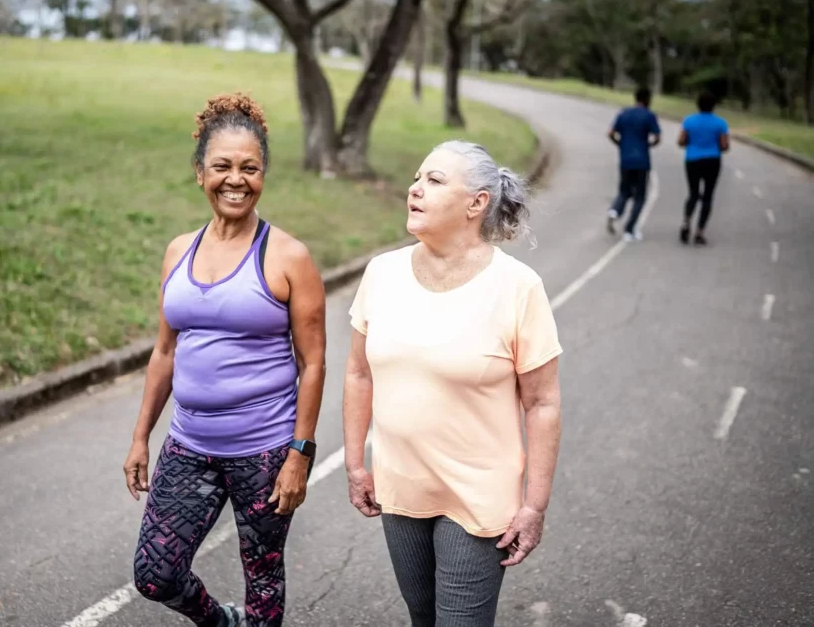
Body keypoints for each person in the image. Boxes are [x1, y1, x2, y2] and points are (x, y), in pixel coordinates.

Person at [123, 93, 327, 627]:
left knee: (263, 579)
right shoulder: (178, 251)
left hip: (264, 450)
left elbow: (314, 362)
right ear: (200, 173)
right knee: (155, 574)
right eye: (222, 167)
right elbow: (165, 350)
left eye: (249, 168)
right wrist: (142, 435)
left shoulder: (288, 256)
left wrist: (300, 454)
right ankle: (220, 622)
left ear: (263, 174)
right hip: (190, 444)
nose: (235, 180)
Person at [343, 141, 564, 627]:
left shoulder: (517, 287)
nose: (414, 189)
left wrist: (534, 505)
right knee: (423, 616)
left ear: (477, 203)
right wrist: (357, 463)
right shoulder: (383, 273)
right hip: (400, 488)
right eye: (418, 178)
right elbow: (359, 372)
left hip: (478, 495)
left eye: (435, 181)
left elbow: (543, 402)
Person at [607, 87, 661, 241]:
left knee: (624, 191)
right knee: (640, 196)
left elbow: (610, 133)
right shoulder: (649, 116)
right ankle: (629, 230)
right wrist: (649, 145)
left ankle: (615, 210)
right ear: (647, 99)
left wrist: (619, 143)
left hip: (625, 159)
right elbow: (657, 137)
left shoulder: (624, 113)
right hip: (642, 161)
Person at [678, 91, 730, 246]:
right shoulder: (721, 123)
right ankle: (699, 232)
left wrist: (692, 143)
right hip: (712, 160)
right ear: (714, 106)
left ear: (697, 104)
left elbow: (681, 142)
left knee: (693, 193)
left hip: (692, 159)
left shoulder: (689, 121)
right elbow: (724, 146)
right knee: (708, 195)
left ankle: (686, 222)